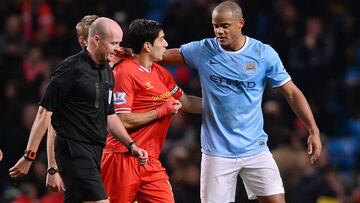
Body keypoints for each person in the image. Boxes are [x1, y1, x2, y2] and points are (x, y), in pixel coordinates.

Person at [162, 1, 322, 203]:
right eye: (215, 26)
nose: (219, 31)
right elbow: (160, 56)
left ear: (240, 23)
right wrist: (128, 53)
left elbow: (292, 94)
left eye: (225, 25)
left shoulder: (263, 54)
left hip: (255, 148)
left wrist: (313, 130)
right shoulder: (203, 49)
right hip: (217, 153)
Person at [9, 17, 148, 203]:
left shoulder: (106, 71)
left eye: (119, 43)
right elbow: (45, 113)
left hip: (95, 151)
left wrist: (131, 145)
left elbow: (110, 115)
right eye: (114, 43)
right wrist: (29, 156)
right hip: (73, 150)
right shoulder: (70, 69)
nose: (118, 48)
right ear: (96, 40)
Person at [100, 19, 202, 203]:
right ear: (147, 46)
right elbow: (121, 120)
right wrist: (161, 111)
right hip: (122, 157)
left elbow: (185, 102)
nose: (166, 44)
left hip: (150, 160)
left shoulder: (161, 73)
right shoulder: (124, 73)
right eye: (161, 39)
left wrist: (225, 107)